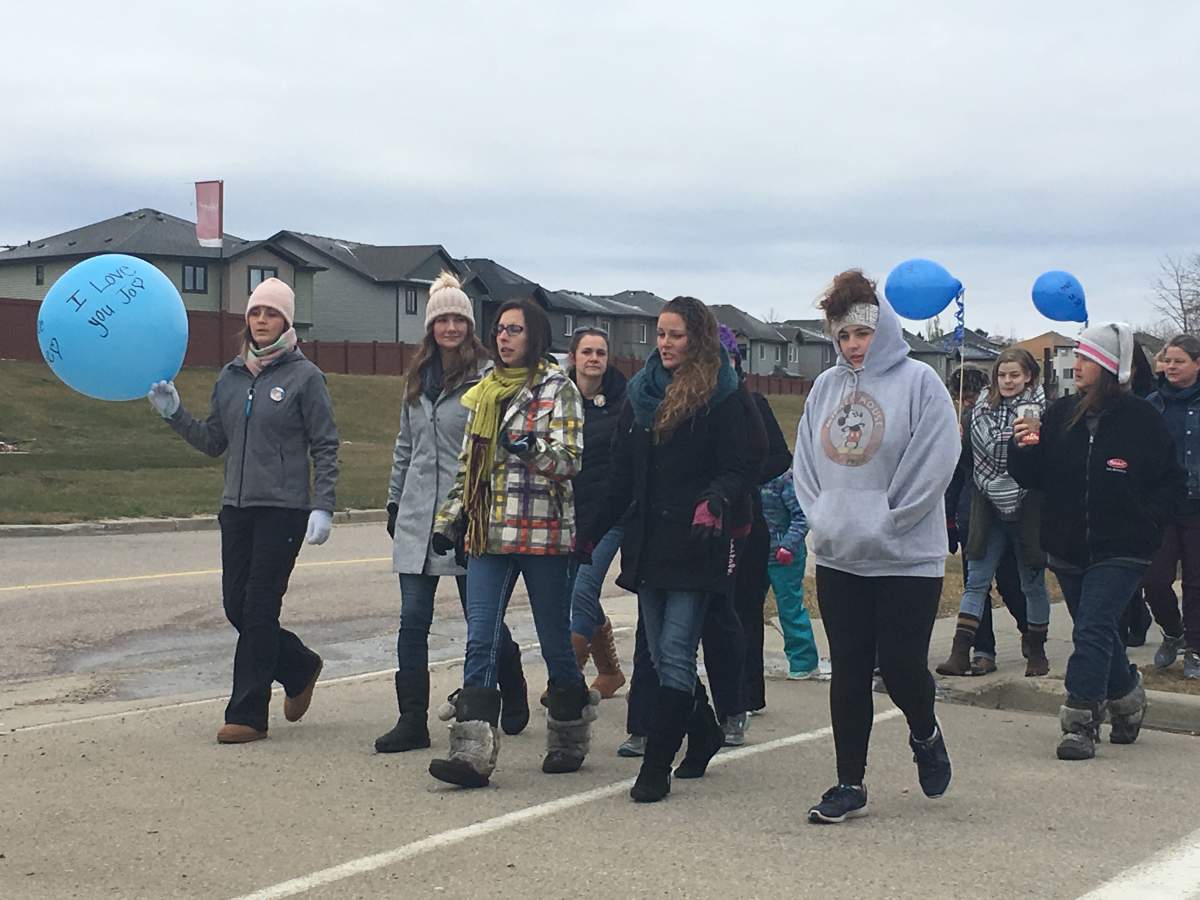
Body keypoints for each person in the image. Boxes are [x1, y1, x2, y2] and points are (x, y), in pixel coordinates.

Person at [793, 269, 958, 823]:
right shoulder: (825, 389)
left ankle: (924, 730)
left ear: (881, 329)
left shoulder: (919, 383)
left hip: (906, 555)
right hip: (841, 554)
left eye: (861, 334)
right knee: (850, 667)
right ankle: (849, 782)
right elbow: (807, 464)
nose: (853, 346)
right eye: (842, 337)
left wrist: (891, 519)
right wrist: (824, 516)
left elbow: (936, 459)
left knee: (902, 665)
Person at [147, 278, 338, 744]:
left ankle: (248, 713)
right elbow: (215, 442)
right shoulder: (230, 376)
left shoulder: (305, 377)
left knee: (258, 607)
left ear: (287, 322)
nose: (261, 320)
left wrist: (324, 506)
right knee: (237, 606)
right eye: (255, 313)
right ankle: (298, 665)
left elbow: (325, 445)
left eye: (271, 313)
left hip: (284, 509)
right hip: (236, 508)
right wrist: (174, 414)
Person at [586, 296, 757, 803]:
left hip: (697, 540)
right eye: (660, 334)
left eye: (675, 334)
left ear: (698, 338)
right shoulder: (640, 395)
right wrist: (590, 531)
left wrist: (718, 499)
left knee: (677, 653)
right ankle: (702, 729)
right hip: (650, 543)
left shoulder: (724, 394)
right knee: (660, 656)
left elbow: (746, 462)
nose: (665, 343)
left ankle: (655, 767)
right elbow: (621, 474)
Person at [427, 298, 595, 788]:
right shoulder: (484, 393)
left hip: (542, 533)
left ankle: (568, 731)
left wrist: (528, 448)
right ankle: (472, 752)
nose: (504, 338)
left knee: (553, 638)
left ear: (535, 337)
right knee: (482, 635)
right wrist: (449, 519)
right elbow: (469, 469)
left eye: (515, 330)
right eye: (500, 329)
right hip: (488, 531)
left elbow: (570, 461)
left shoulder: (557, 388)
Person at [1010, 323, 1183, 760]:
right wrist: (1022, 450)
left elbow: (1170, 483)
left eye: (1086, 358)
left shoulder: (1143, 419)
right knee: (1098, 630)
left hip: (1122, 546)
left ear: (1107, 367)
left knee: (1090, 627)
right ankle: (1127, 696)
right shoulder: (1059, 414)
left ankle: (1081, 720)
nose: (1077, 365)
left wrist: (1149, 520)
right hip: (1067, 544)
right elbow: (1033, 477)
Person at [375, 273, 529, 754]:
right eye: (441, 319)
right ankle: (411, 719)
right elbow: (406, 445)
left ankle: (510, 678)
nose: (449, 327)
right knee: (412, 618)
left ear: (469, 324)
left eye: (457, 318)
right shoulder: (417, 378)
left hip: (467, 514)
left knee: (478, 616)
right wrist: (394, 500)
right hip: (418, 515)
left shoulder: (487, 378)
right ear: (430, 326)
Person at [937, 349, 1050, 678]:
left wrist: (1032, 441)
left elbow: (1045, 462)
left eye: (1015, 375)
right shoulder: (976, 414)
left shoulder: (1044, 412)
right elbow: (965, 463)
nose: (1009, 381)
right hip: (986, 501)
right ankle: (961, 652)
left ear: (1028, 376)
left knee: (1031, 583)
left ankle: (1037, 650)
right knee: (976, 581)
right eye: (1003, 375)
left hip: (1027, 501)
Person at [944, 368, 1028, 674]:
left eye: (969, 397)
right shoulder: (960, 424)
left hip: (1007, 512)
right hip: (973, 515)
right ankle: (982, 651)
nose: (964, 403)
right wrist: (949, 517)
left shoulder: (1007, 418)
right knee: (975, 585)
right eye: (959, 398)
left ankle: (1031, 632)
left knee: (1011, 584)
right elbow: (956, 473)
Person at [565, 326, 628, 698]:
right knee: (573, 590)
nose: (593, 359)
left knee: (582, 589)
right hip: (567, 513)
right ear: (573, 357)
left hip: (609, 516)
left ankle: (567, 679)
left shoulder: (622, 402)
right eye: (586, 351)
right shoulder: (557, 399)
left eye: (600, 353)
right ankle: (609, 670)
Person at [1143, 334, 1200, 679]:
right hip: (1162, 507)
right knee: (1155, 580)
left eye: (1179, 361)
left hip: (1198, 506)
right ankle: (1172, 631)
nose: (1171, 367)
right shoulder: (1152, 404)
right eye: (1167, 361)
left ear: (1197, 364)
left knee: (1196, 583)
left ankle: (1195, 649)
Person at [761, 468, 823, 679]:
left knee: (790, 607)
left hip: (784, 556)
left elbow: (802, 514)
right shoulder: (745, 472)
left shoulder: (784, 478)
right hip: (752, 555)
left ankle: (804, 662)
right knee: (746, 610)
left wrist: (788, 545)